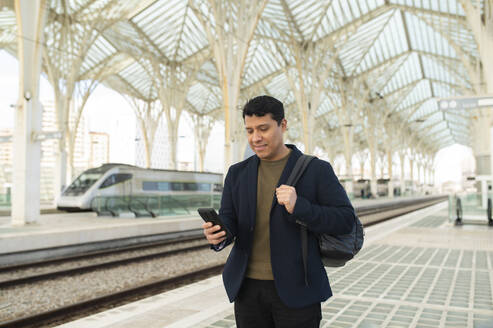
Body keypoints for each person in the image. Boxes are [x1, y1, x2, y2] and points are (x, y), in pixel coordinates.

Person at [203, 95, 356, 328]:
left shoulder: (315, 170)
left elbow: (345, 220)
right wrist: (219, 235)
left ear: (283, 125)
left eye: (263, 129)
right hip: (247, 290)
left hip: (297, 290)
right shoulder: (237, 173)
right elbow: (230, 220)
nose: (255, 138)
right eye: (250, 130)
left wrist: (300, 207)